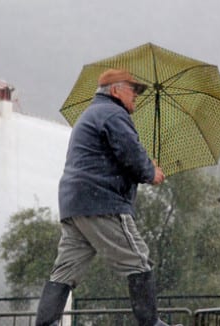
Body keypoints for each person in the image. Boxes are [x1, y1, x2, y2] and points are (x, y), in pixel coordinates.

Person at [35, 69, 181, 326]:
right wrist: (151, 171)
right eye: (133, 90)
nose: (136, 96)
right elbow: (130, 154)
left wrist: (144, 166)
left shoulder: (91, 114)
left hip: (74, 205)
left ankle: (44, 324)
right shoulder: (114, 113)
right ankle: (151, 324)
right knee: (138, 260)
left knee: (65, 269)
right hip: (102, 202)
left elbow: (114, 157)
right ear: (115, 90)